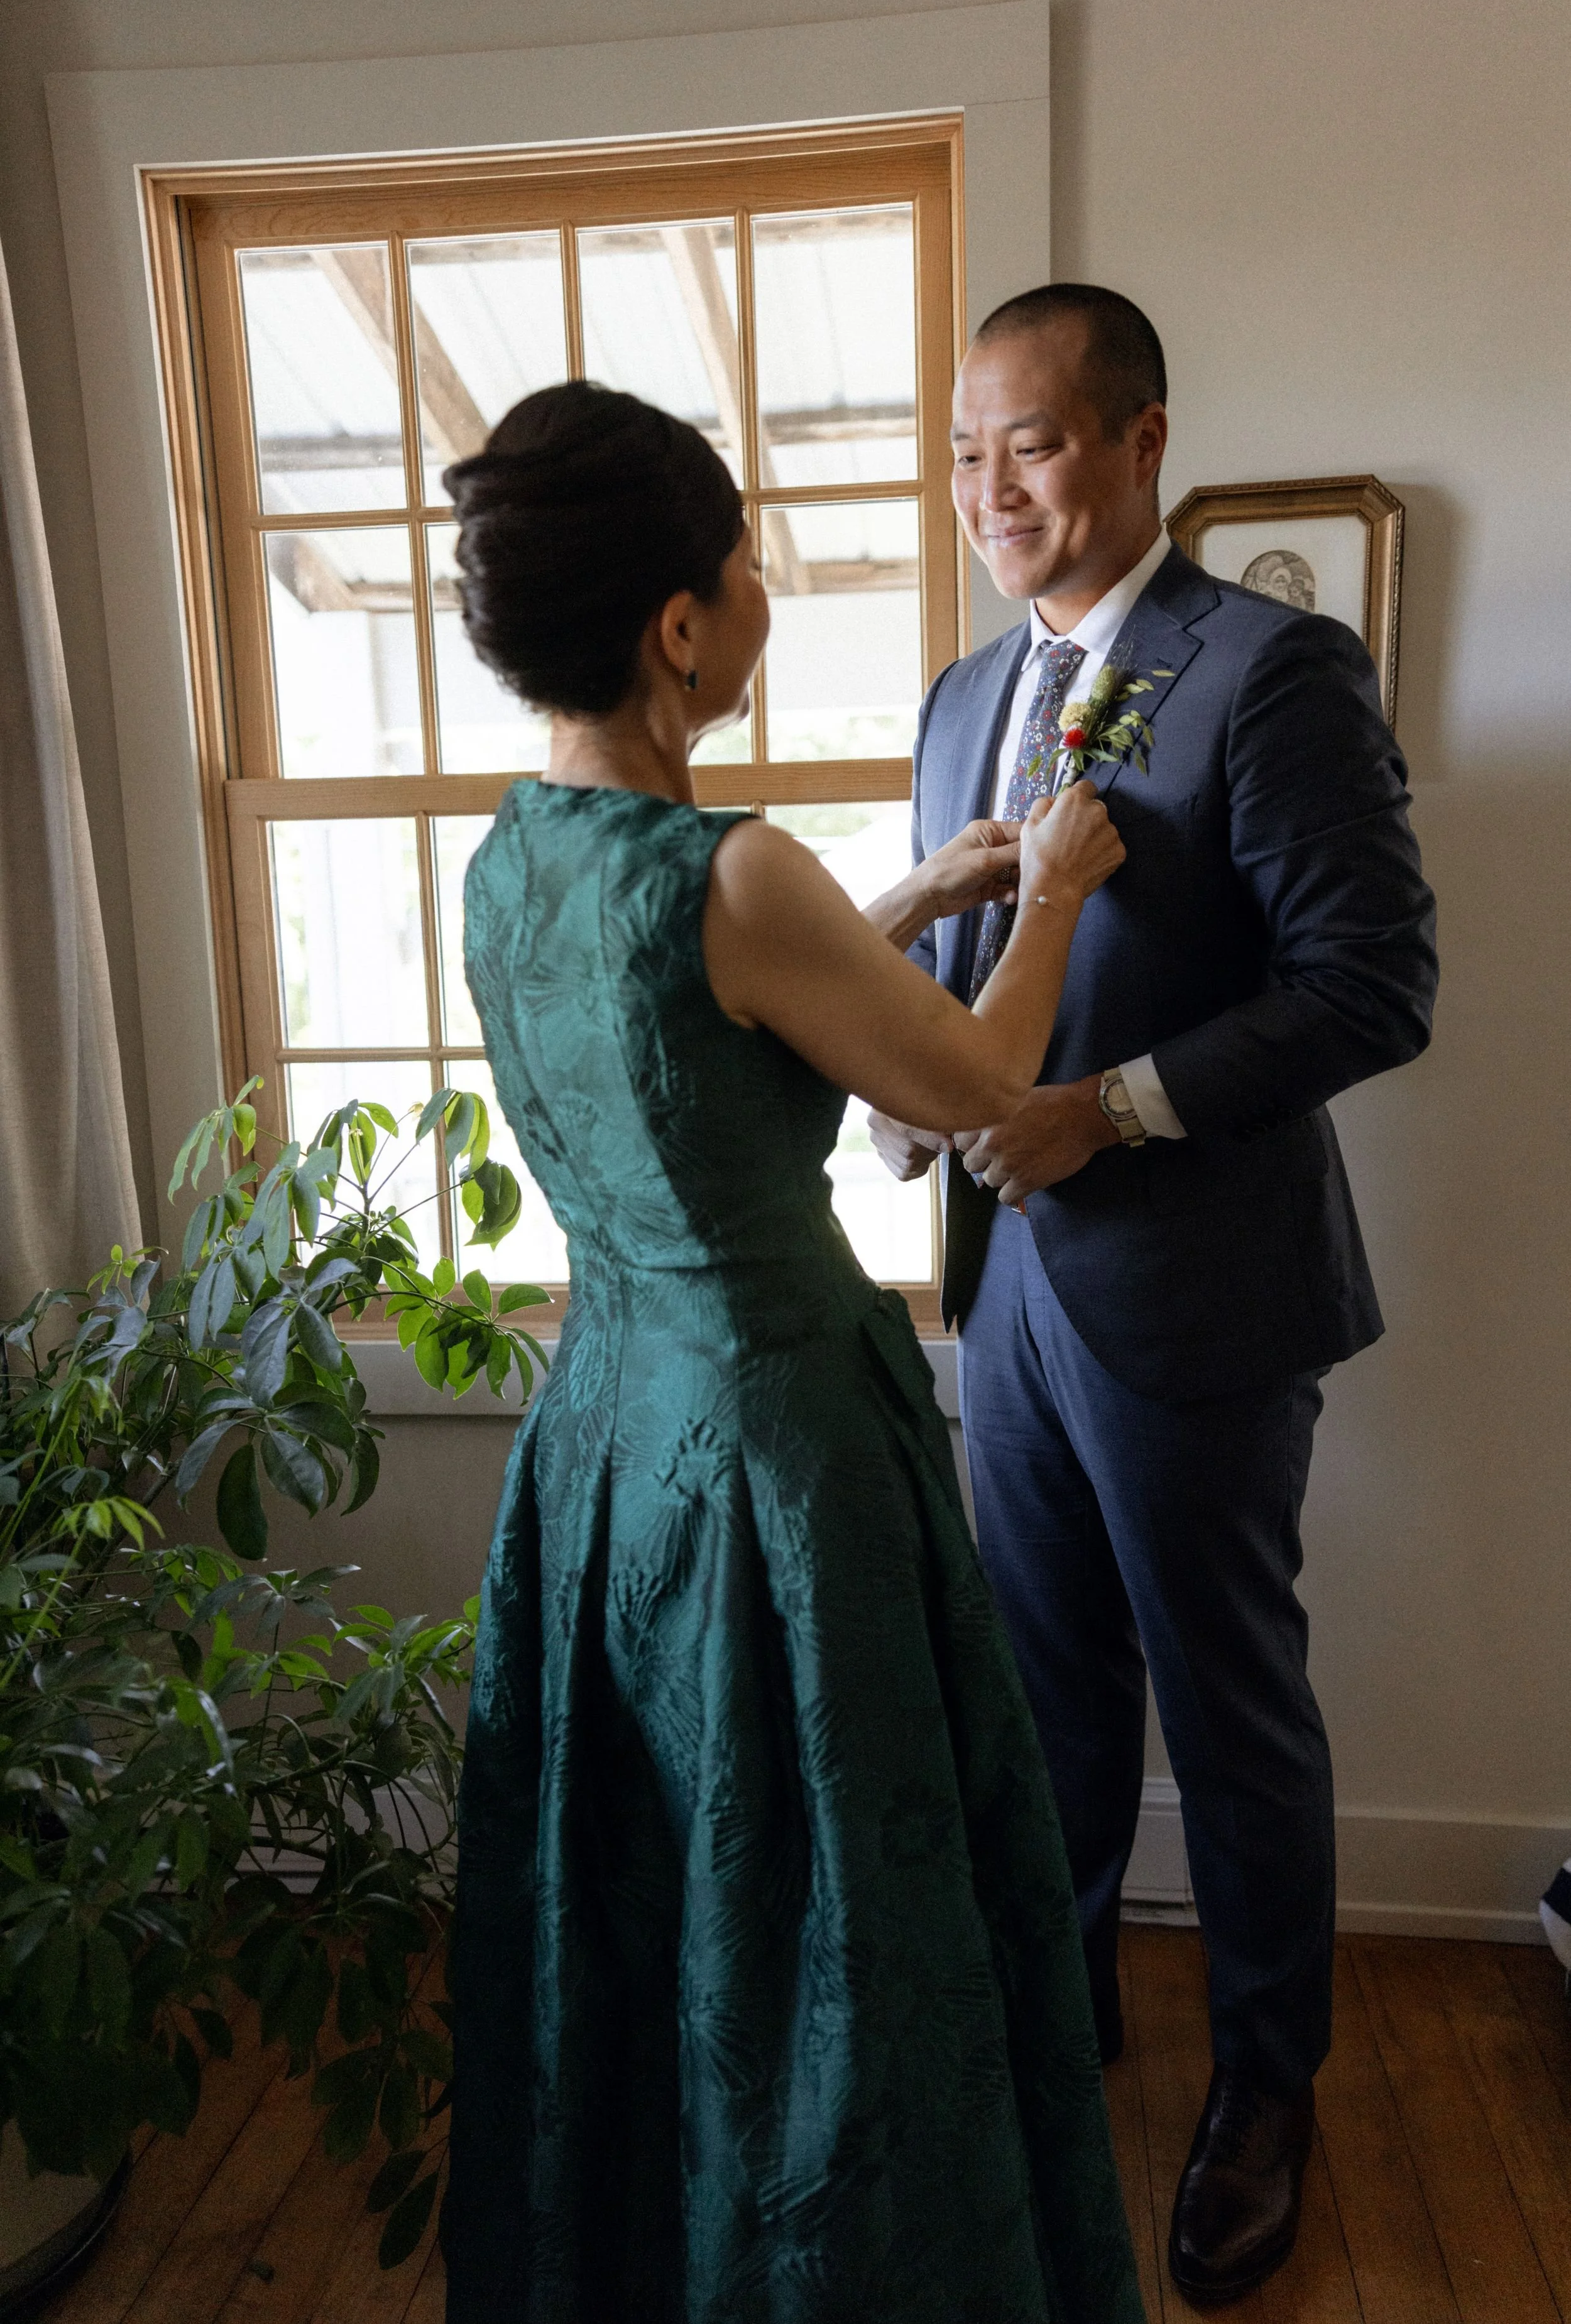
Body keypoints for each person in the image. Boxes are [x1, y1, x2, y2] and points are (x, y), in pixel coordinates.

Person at [440, 380, 1146, 2324]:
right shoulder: (736, 871)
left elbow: (711, 1013)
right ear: (679, 627)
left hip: (607, 1435)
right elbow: (978, 1078)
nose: (760, 594)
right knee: (819, 1895)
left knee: (673, 1883)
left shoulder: (510, 858)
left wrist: (913, 891)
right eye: (743, 566)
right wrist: (1053, 890)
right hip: (774, 1449)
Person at [871, 284, 1438, 2305]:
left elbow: (1372, 985)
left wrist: (1103, 1110)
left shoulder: (1269, 669)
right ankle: (1067, 2006)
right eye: (963, 452)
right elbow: (949, 977)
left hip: (1198, 1288)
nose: (989, 488)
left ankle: (1267, 2085)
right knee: (1042, 1682)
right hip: (1007, 1286)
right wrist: (915, 1106)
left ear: (1137, 443)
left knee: (1228, 1697)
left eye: (1027, 442)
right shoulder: (961, 697)